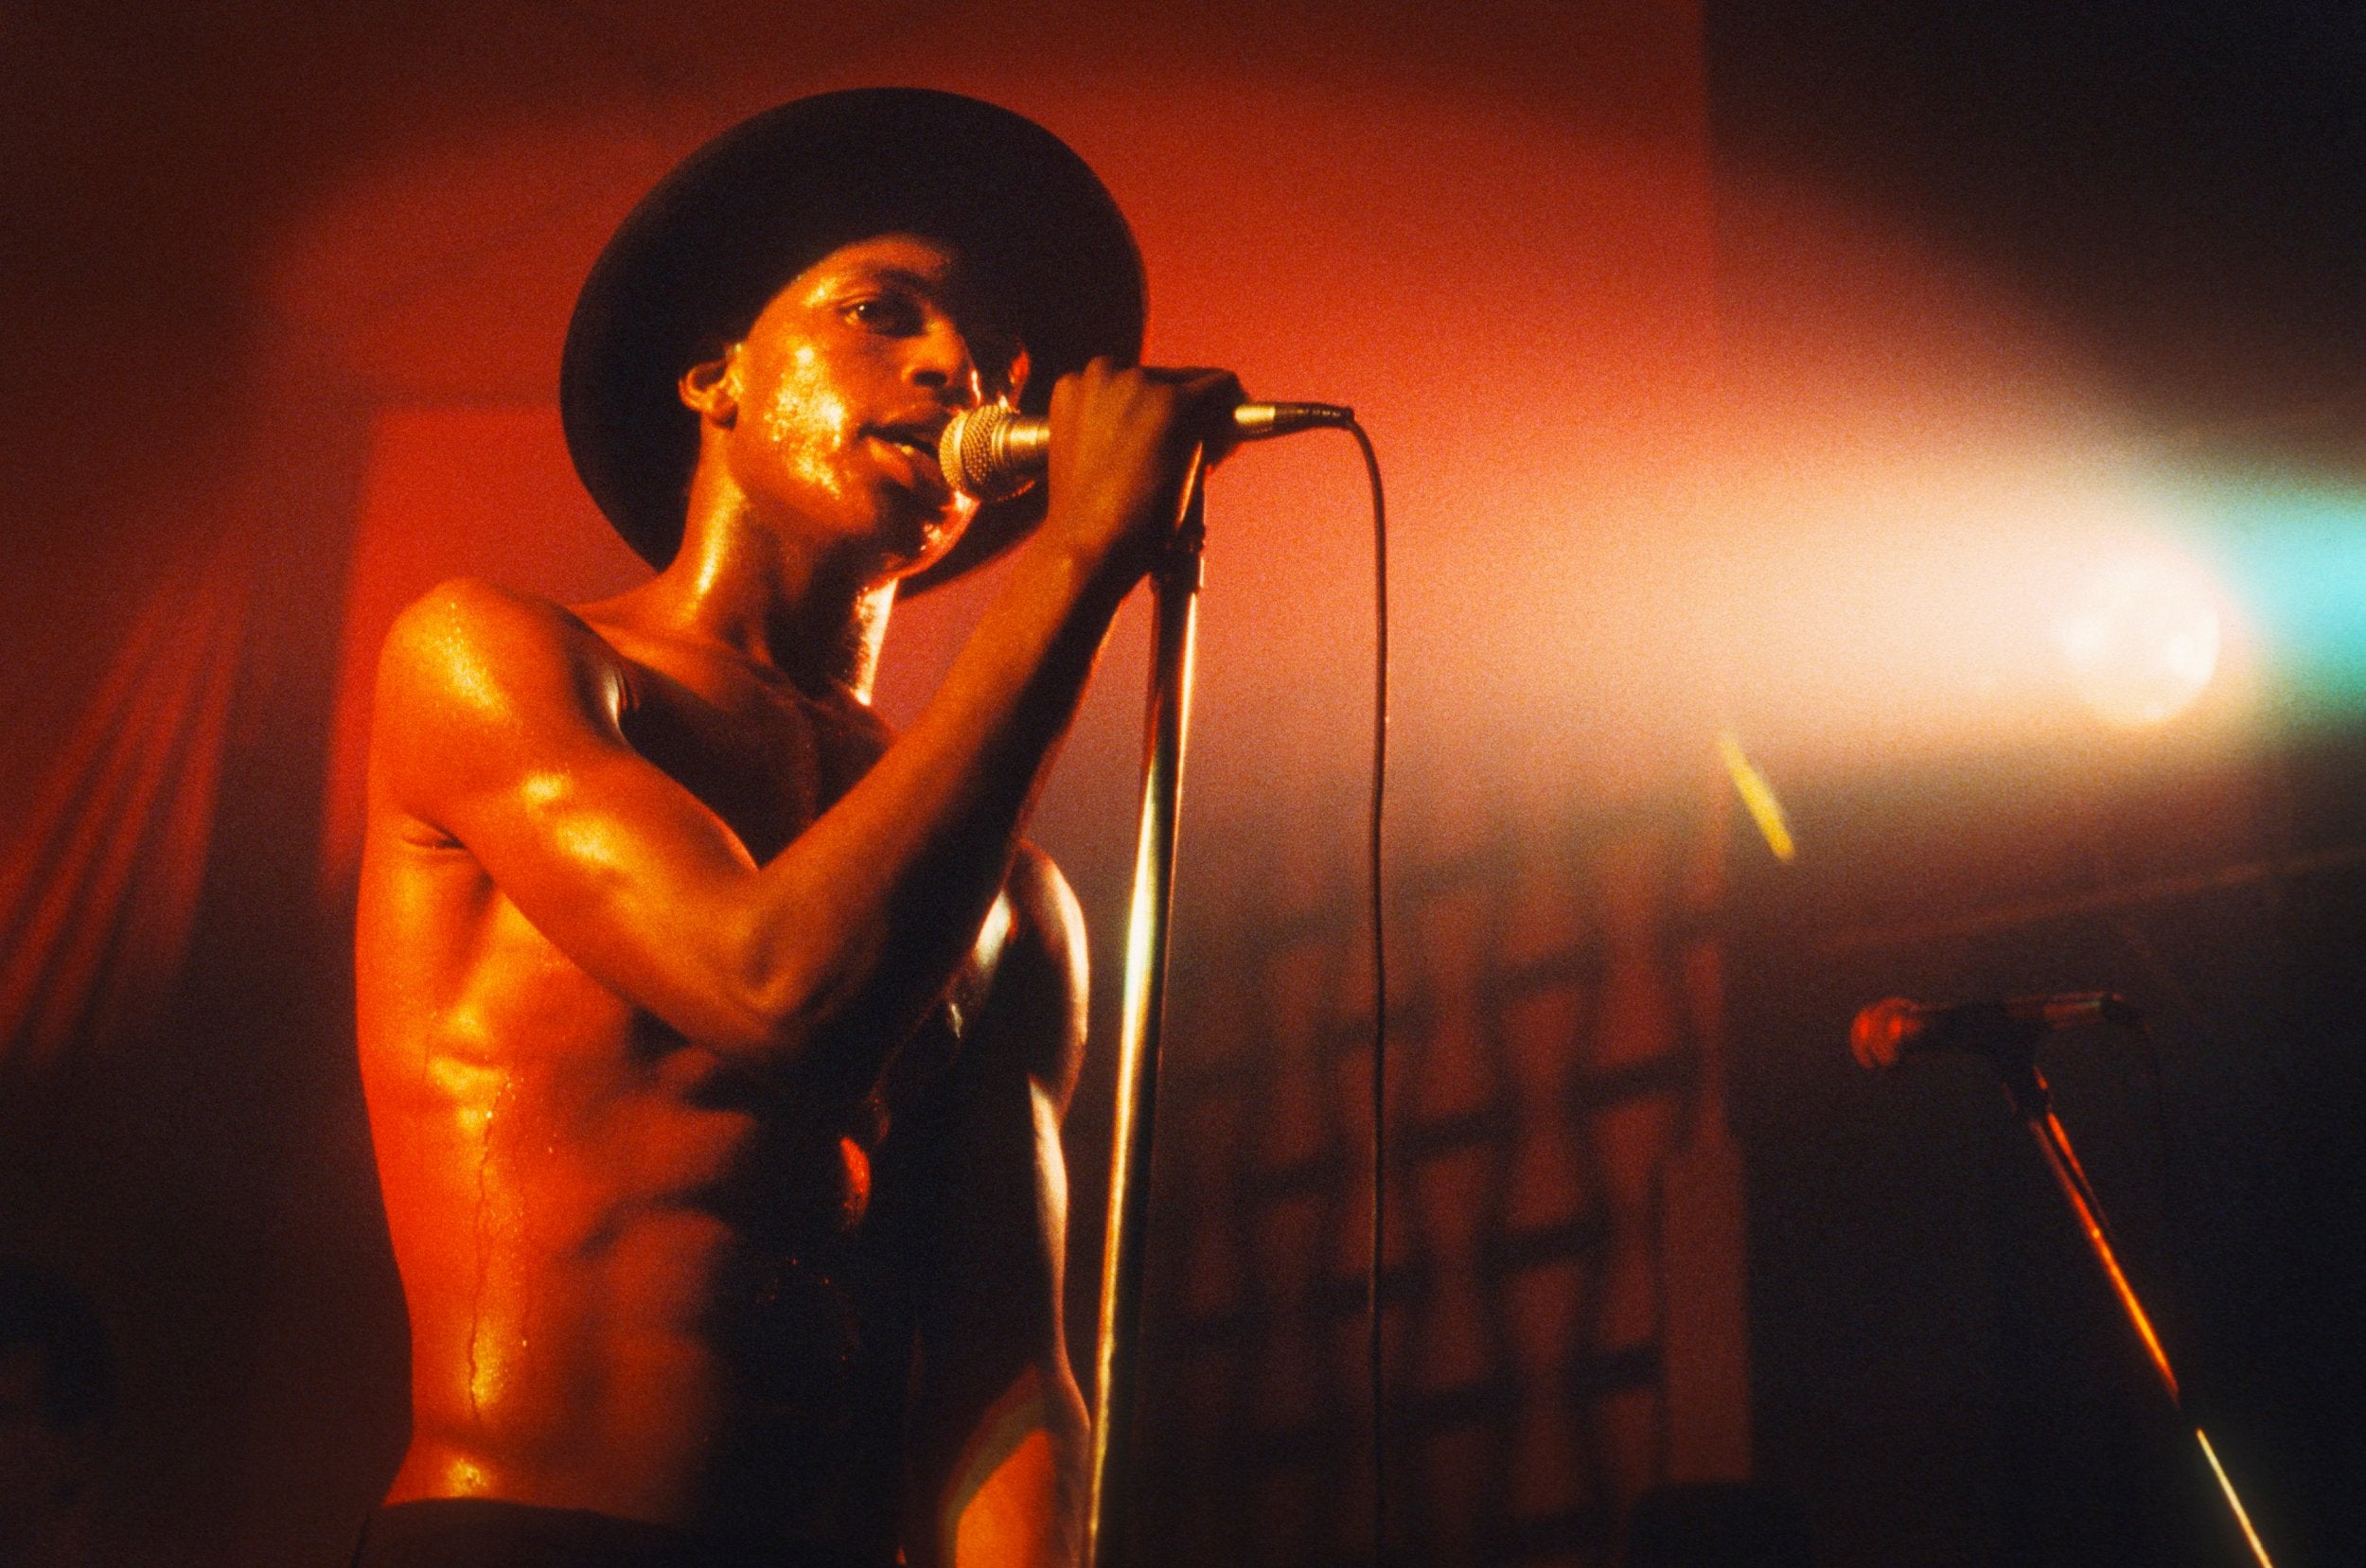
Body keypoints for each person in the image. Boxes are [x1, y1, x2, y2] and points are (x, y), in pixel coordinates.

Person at [353, 89, 1240, 1568]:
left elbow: (1001, 1369)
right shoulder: (496, 660)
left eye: (990, 351)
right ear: (719, 380)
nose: (957, 366)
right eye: (881, 313)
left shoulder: (1009, 897)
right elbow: (776, 988)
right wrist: (1083, 556)